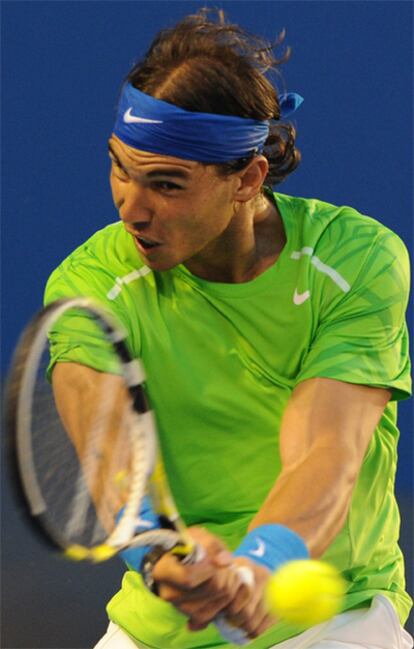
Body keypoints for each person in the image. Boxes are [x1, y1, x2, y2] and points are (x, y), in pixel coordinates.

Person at [44, 9, 412, 649]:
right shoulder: (89, 285)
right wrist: (163, 558)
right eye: (120, 169)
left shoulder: (355, 262)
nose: (131, 207)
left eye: (167, 184)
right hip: (157, 626)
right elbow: (111, 460)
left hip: (333, 618)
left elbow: (326, 450)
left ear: (246, 179)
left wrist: (259, 563)